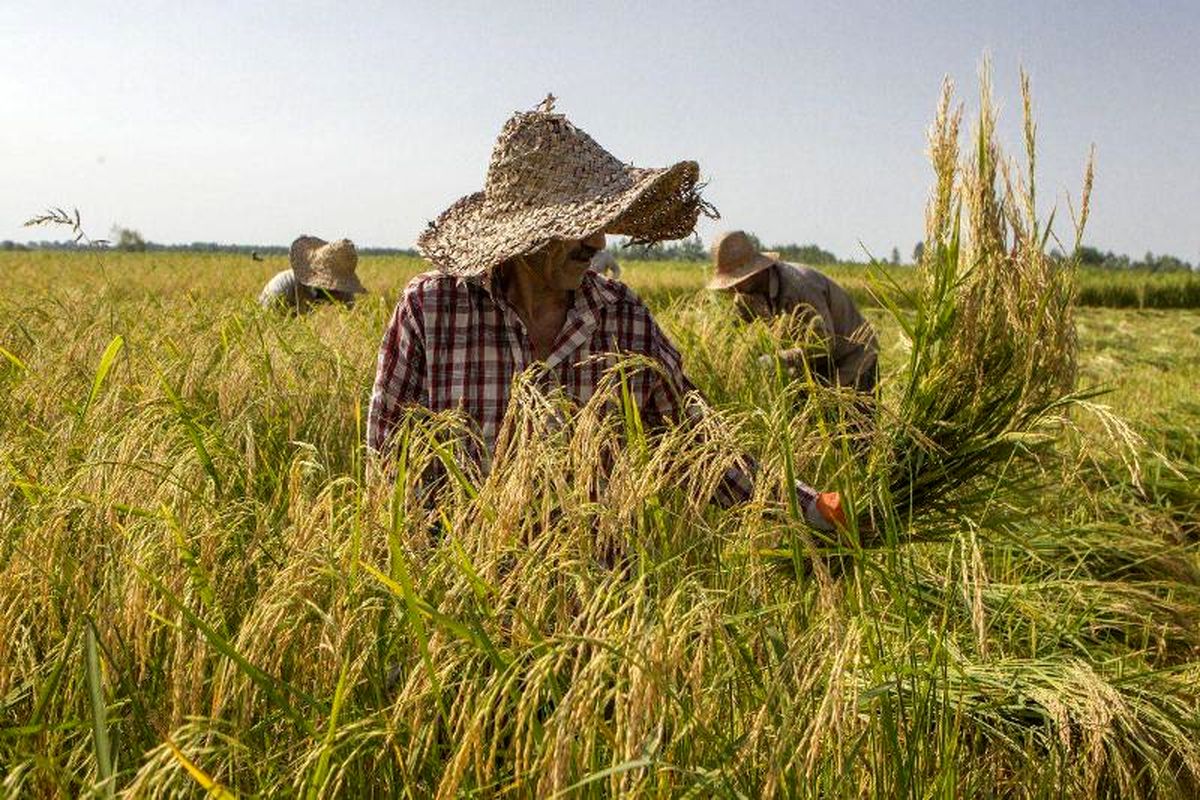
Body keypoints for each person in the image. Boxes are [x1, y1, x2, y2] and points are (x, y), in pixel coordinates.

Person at [367, 98, 844, 531]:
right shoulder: (433, 310)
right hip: (462, 600)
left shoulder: (622, 318)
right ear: (525, 233)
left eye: (601, 224)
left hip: (597, 606)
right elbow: (388, 466)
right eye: (578, 226)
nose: (597, 243)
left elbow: (697, 446)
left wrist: (805, 506)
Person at [707, 231, 878, 392]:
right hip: (813, 369)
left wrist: (777, 360)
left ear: (754, 272)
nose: (733, 289)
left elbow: (822, 346)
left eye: (737, 280)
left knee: (851, 422)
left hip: (853, 360)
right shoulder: (746, 294)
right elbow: (738, 335)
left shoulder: (800, 287)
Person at [258, 236, 366, 313]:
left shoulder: (339, 292)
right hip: (277, 312)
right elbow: (303, 323)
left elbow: (350, 307)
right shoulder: (297, 287)